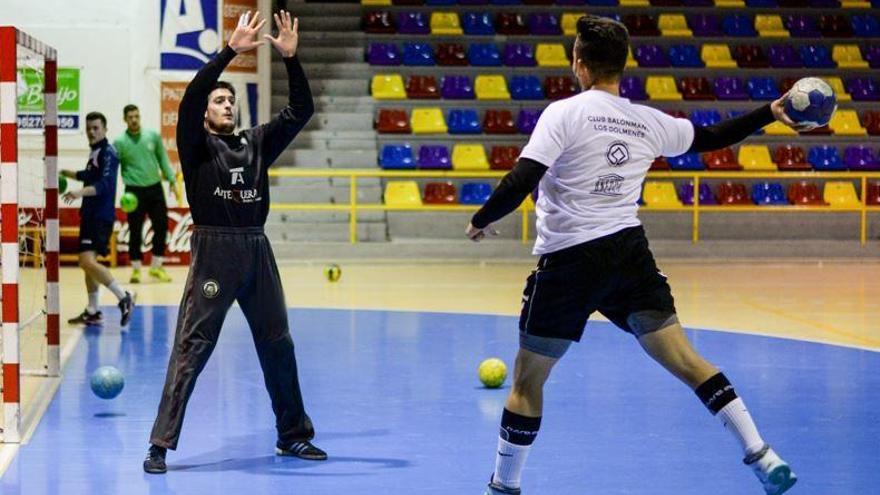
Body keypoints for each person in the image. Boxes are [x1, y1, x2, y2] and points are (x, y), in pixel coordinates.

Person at [469, 16, 800, 495]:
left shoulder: (564, 114)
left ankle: (504, 486)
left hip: (570, 263)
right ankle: (764, 457)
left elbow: (521, 179)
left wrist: (480, 221)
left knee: (526, 380)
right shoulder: (646, 120)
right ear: (622, 67)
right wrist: (770, 111)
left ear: (578, 63)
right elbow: (713, 138)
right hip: (629, 258)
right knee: (688, 360)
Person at [144, 10, 325, 474]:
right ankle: (161, 444)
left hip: (256, 250)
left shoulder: (258, 142)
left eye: (230, 100)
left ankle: (293, 435)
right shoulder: (195, 145)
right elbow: (189, 100)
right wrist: (228, 53)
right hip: (214, 253)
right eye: (218, 100)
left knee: (278, 343)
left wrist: (291, 59)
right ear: (206, 113)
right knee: (193, 346)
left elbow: (301, 111)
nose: (225, 104)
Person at [61, 112, 136, 327]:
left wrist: (78, 193)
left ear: (104, 129)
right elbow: (89, 175)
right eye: (89, 128)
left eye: (96, 128)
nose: (92, 132)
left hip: (100, 216)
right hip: (89, 215)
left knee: (86, 261)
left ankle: (123, 297)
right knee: (86, 264)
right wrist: (68, 173)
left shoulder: (108, 153)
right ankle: (93, 311)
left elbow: (104, 184)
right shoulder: (96, 152)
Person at [113, 104, 179, 284]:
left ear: (139, 116)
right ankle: (135, 269)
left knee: (162, 227)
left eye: (136, 116)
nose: (134, 119)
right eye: (130, 117)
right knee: (135, 231)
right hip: (133, 192)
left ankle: (157, 267)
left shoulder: (152, 136)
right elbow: (112, 168)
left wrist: (172, 180)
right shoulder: (119, 142)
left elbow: (163, 158)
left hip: (155, 188)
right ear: (125, 119)